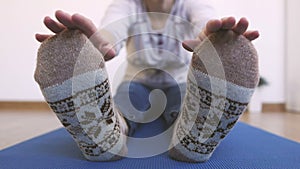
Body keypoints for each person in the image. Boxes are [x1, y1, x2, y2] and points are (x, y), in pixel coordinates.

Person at [35, 0, 259, 162]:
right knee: (126, 100)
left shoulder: (191, 3)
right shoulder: (126, 5)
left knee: (182, 102)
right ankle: (108, 136)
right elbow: (112, 30)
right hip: (137, 81)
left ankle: (192, 135)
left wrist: (211, 39)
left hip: (179, 81)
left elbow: (204, 19)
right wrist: (98, 44)